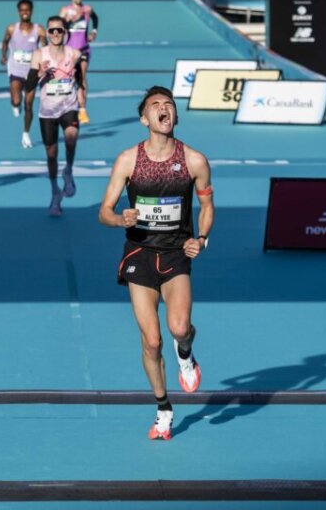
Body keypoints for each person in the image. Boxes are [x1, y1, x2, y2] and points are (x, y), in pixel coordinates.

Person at [98, 86, 214, 442]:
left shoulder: (194, 160)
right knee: (150, 341)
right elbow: (103, 212)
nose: (163, 110)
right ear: (144, 118)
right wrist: (120, 220)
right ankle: (163, 408)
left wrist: (202, 238)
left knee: (179, 328)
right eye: (155, 106)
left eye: (169, 105)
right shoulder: (128, 160)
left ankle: (186, 353)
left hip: (177, 253)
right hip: (140, 254)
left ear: (175, 117)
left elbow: (207, 206)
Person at [29, 16, 83, 216]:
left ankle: (68, 170)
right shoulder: (38, 55)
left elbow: (81, 80)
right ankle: (54, 192)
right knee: (51, 154)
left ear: (65, 32)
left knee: (71, 136)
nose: (55, 34)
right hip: (47, 111)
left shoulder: (75, 54)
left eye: (59, 30)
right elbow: (29, 86)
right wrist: (39, 73)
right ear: (48, 33)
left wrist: (83, 103)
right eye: (51, 31)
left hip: (68, 105)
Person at [0, 0, 46, 148]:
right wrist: (3, 55)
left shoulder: (39, 30)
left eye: (27, 10)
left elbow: (44, 47)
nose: (25, 12)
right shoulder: (12, 29)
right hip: (15, 68)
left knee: (29, 105)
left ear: (31, 11)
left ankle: (26, 133)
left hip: (32, 70)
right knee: (17, 100)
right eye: (22, 10)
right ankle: (15, 103)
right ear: (18, 11)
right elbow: (5, 42)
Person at [59, 0, 98, 124]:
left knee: (82, 76)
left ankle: (82, 110)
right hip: (69, 50)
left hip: (83, 48)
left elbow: (95, 18)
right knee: (69, 78)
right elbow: (57, 27)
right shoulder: (65, 10)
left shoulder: (87, 9)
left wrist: (94, 32)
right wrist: (68, 21)